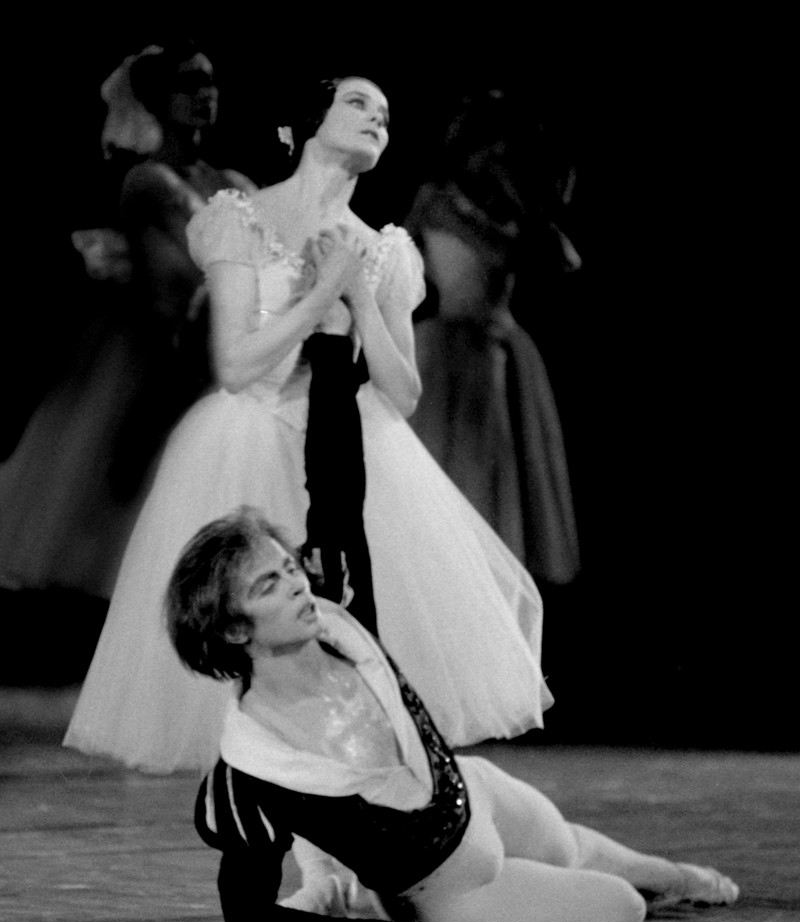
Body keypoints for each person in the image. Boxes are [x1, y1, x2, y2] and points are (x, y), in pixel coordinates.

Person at [64, 75, 550, 773]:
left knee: (348, 610)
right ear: (312, 120)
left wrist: (357, 293)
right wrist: (320, 293)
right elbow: (236, 364)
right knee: (254, 612)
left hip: (346, 439)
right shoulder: (241, 218)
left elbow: (404, 392)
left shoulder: (383, 249)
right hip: (250, 434)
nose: (376, 119)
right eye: (358, 103)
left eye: (385, 114)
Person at [166, 507, 738, 922]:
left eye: (290, 566)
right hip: (446, 891)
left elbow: (338, 487)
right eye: (270, 584)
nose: (297, 584)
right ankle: (360, 896)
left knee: (574, 848)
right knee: (623, 905)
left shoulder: (342, 621)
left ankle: (677, 877)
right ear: (234, 629)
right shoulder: (250, 770)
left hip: (471, 789)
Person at [0, 42, 256, 598]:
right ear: (159, 99)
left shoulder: (232, 182)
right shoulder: (149, 181)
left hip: (221, 339)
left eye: (210, 83)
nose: (205, 95)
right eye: (189, 85)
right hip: (158, 345)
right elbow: (171, 281)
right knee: (134, 480)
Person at [407, 90, 581, 585]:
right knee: (450, 484)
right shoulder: (438, 202)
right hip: (443, 357)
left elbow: (565, 262)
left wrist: (531, 215)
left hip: (496, 355)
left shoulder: (519, 216)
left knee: (498, 490)